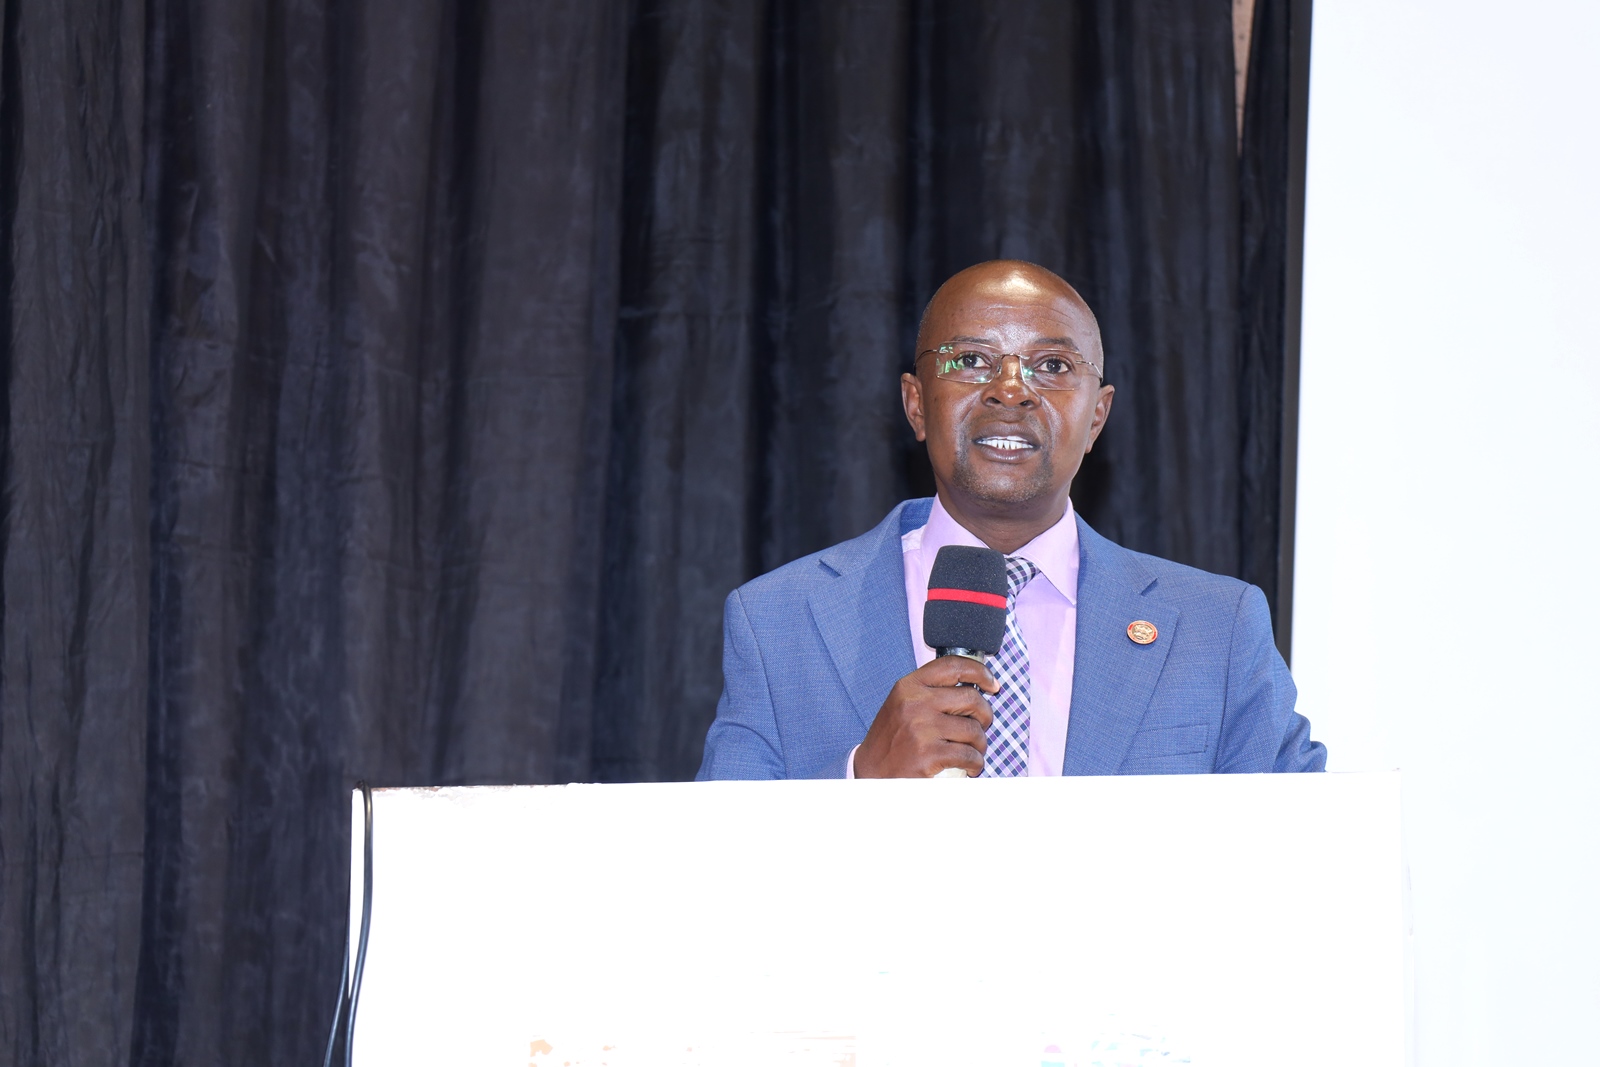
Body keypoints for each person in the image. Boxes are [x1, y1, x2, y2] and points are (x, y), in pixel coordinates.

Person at [696, 260, 1324, 780]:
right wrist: (861, 784)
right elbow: (713, 872)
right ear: (916, 404)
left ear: (1097, 417)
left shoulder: (1216, 629)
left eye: (1052, 367)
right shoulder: (779, 620)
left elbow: (1312, 850)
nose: (1011, 390)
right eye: (971, 361)